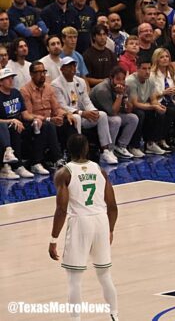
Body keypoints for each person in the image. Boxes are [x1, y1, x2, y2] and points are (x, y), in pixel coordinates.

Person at [48, 134, 120, 321]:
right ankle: (114, 315)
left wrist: (53, 239)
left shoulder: (64, 173)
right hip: (101, 221)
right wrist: (110, 230)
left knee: (74, 279)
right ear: (87, 148)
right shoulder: (100, 170)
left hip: (80, 222)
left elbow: (61, 209)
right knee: (105, 275)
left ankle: (76, 319)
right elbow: (112, 206)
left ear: (68, 149)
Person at [53, 57, 125, 162]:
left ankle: (105, 151)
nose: (72, 68)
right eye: (69, 66)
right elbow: (61, 106)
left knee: (102, 115)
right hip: (69, 116)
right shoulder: (56, 84)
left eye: (73, 65)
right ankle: (78, 152)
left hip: (83, 115)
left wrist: (93, 111)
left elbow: (86, 101)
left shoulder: (80, 81)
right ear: (62, 69)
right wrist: (83, 113)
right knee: (76, 117)